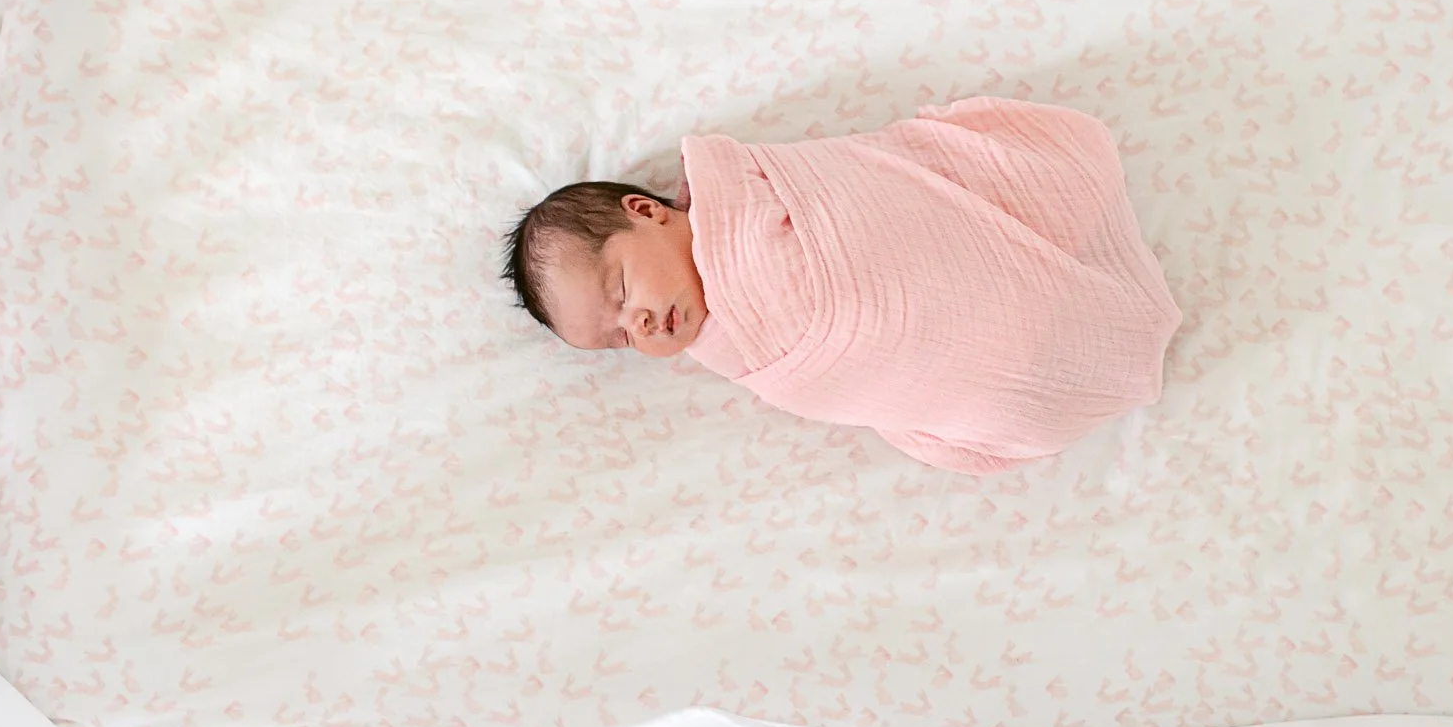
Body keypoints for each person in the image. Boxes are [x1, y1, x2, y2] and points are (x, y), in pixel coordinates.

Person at [503, 98, 1180, 473]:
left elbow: (867, 193)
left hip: (931, 263)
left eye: (622, 291)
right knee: (1000, 389)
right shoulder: (731, 348)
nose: (641, 326)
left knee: (995, 277)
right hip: (943, 355)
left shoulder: (751, 194)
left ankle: (1045, 300)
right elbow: (845, 375)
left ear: (647, 212)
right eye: (619, 337)